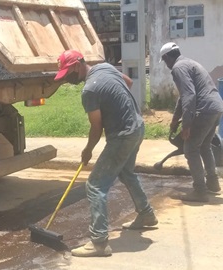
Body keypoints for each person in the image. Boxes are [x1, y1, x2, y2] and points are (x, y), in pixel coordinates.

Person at [54, 49, 158, 257]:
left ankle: (99, 242)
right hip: (137, 127)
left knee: (95, 186)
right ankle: (146, 214)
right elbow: (127, 82)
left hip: (122, 135)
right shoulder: (105, 67)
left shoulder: (90, 91)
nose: (66, 79)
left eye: (68, 74)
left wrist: (87, 151)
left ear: (77, 65)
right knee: (126, 173)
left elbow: (96, 127)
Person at [160, 42, 223, 202]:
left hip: (204, 109)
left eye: (164, 60)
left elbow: (189, 96)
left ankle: (200, 191)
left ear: (167, 57)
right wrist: (175, 119)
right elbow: (183, 97)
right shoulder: (189, 63)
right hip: (216, 107)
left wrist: (186, 125)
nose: (166, 65)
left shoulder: (178, 68)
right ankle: (213, 184)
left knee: (190, 148)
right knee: (204, 146)